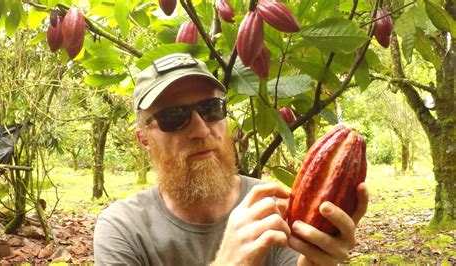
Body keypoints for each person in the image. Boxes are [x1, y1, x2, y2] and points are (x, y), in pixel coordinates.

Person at [93, 53, 369, 265]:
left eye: (211, 108)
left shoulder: (270, 207)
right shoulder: (124, 228)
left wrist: (315, 261)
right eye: (174, 117)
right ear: (143, 138)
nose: (201, 130)